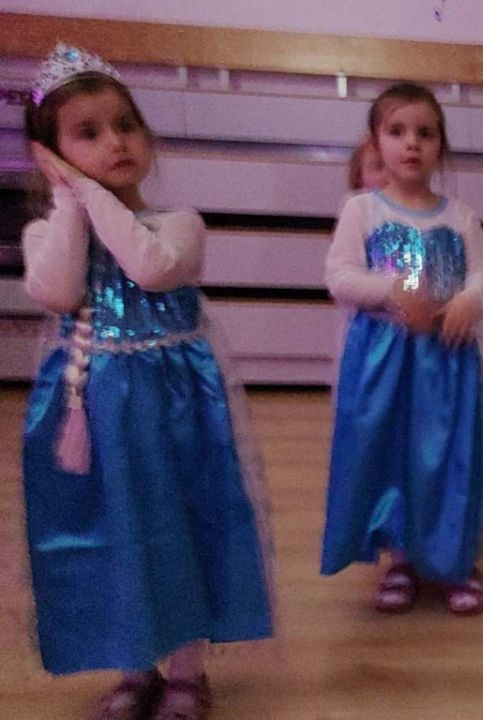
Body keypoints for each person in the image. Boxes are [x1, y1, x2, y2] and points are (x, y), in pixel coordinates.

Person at [21, 44, 272, 720]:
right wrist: (69, 201)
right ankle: (134, 663)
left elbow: (148, 267)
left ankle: (186, 672)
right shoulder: (49, 233)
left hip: (173, 410)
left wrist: (90, 191)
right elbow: (58, 289)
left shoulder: (177, 225)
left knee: (179, 527)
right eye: (88, 133)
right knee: (117, 529)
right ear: (54, 157)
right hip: (96, 411)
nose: (116, 142)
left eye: (126, 125)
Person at [321, 83, 483, 615]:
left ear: (441, 145)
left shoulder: (459, 216)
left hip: (446, 360)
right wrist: (393, 290)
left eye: (426, 133)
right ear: (376, 142)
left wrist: (470, 298)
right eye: (397, 132)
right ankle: (400, 557)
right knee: (392, 455)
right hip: (383, 362)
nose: (412, 143)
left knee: (447, 456)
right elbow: (339, 276)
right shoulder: (363, 210)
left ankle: (456, 559)